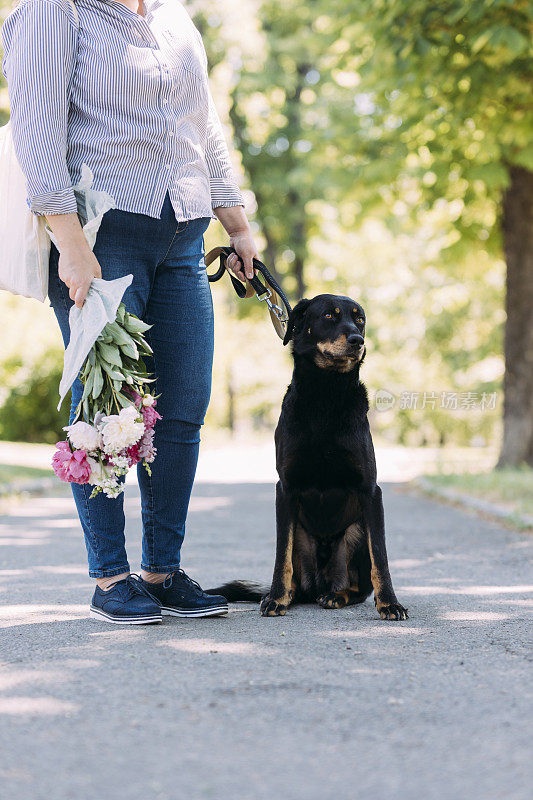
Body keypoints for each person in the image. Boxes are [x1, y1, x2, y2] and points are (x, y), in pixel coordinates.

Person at [1, 0, 255, 624]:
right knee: (107, 406)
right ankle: (110, 577)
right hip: (103, 232)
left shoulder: (173, 19)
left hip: (185, 233)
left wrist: (237, 223)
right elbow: (37, 129)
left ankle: (161, 572)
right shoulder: (56, 10)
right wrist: (72, 245)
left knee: (184, 404)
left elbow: (204, 124)